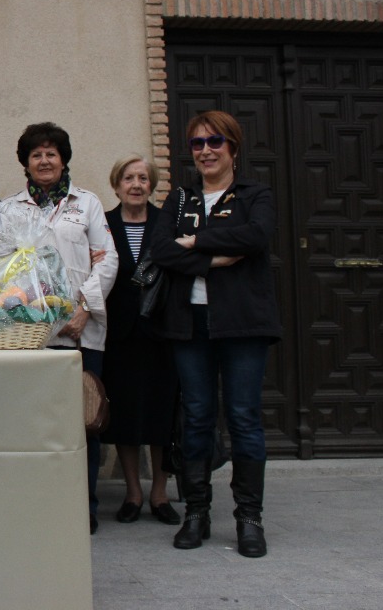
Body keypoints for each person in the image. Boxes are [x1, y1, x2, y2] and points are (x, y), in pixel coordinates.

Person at [149, 110, 281, 558]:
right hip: (190, 323)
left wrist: (197, 241)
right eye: (197, 144)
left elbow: (257, 236)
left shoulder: (254, 194)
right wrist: (216, 255)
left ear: (233, 148)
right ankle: (197, 512)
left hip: (243, 322)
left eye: (215, 142)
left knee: (244, 418)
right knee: (197, 418)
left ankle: (248, 518)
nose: (206, 150)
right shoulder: (181, 198)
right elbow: (161, 248)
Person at [0, 122, 118, 534]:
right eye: (36, 154)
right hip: (29, 335)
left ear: (63, 159)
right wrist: (30, 315)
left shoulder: (88, 203)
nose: (44, 160)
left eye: (51, 153)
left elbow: (107, 258)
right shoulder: (11, 208)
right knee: (34, 422)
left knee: (84, 421)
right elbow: (1, 268)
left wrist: (82, 308)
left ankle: (85, 506)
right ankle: (39, 505)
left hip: (81, 330)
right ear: (25, 163)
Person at [101, 154, 180, 527]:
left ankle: (160, 492)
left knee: (162, 414)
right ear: (117, 185)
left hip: (161, 332)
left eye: (143, 179)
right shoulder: (104, 223)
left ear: (152, 185)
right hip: (120, 334)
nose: (136, 185)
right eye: (129, 178)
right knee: (127, 415)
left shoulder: (169, 223)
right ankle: (133, 492)